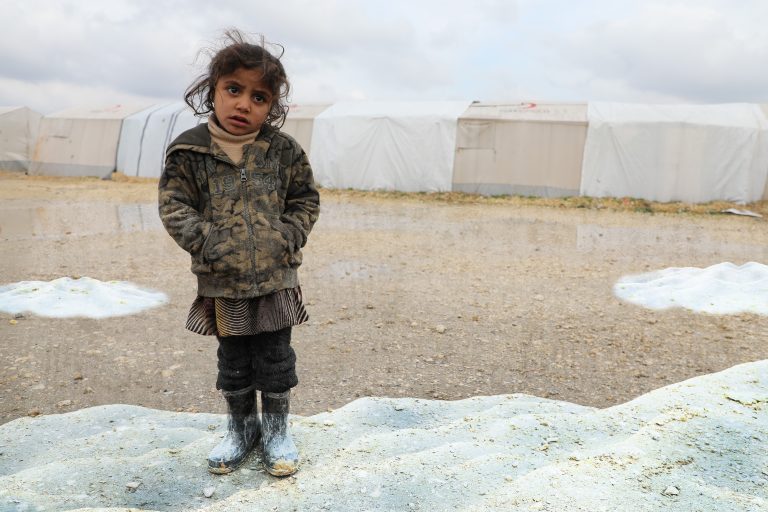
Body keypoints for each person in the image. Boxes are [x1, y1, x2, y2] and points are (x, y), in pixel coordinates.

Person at [158, 29, 319, 477]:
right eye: (234, 90)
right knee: (234, 360)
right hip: (223, 281)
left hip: (275, 281)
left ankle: (276, 432)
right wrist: (206, 243)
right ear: (212, 90)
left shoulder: (283, 151)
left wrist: (288, 235)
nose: (244, 104)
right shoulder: (190, 150)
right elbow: (174, 205)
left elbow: (305, 199)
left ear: (272, 106)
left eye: (260, 97)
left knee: (275, 357)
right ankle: (240, 430)